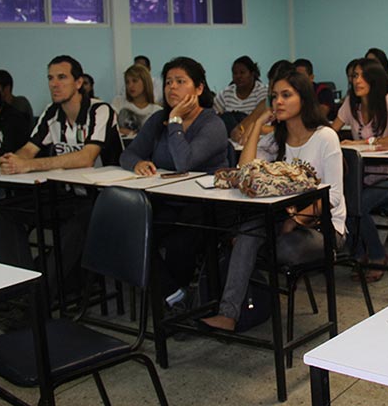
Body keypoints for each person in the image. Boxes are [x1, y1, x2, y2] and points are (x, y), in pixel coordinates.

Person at [200, 68, 346, 331]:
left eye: (286, 95)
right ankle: (228, 314)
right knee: (246, 235)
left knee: (277, 248)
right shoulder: (277, 138)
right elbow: (244, 172)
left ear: (304, 99)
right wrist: (257, 124)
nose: (278, 101)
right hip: (280, 220)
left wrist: (295, 221)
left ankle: (260, 297)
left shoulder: (325, 137)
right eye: (274, 96)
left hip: (323, 227)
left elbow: (333, 196)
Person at [0, 56, 121, 282]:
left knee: (76, 225)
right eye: (50, 78)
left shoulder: (100, 110)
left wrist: (29, 165)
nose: (54, 84)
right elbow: (29, 149)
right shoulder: (51, 112)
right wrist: (12, 160)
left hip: (104, 198)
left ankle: (41, 293)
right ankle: (24, 282)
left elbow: (86, 158)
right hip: (67, 195)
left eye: (62, 77)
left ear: (79, 83)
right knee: (4, 212)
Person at [120, 56, 228, 307]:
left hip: (205, 206)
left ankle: (175, 298)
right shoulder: (158, 119)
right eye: (168, 82)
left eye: (180, 81)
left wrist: (176, 121)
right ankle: (173, 295)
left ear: (199, 89)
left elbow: (184, 162)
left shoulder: (212, 124)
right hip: (167, 200)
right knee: (130, 230)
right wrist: (137, 163)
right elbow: (128, 153)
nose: (172, 88)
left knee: (180, 241)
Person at [332, 59, 388, 281]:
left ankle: (377, 256)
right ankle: (359, 255)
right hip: (362, 178)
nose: (357, 80)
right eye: (355, 76)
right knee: (344, 202)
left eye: (363, 76)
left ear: (374, 79)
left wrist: (361, 143)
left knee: (357, 205)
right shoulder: (350, 104)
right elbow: (331, 132)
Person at [214, 55, 269, 136]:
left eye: (242, 73)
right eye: (235, 73)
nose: (238, 76)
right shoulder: (225, 93)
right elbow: (214, 117)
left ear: (252, 74)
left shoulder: (262, 91)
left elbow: (263, 117)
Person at [111, 64, 162, 136]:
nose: (130, 86)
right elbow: (109, 126)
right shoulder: (119, 102)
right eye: (127, 82)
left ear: (145, 82)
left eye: (135, 81)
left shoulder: (157, 111)